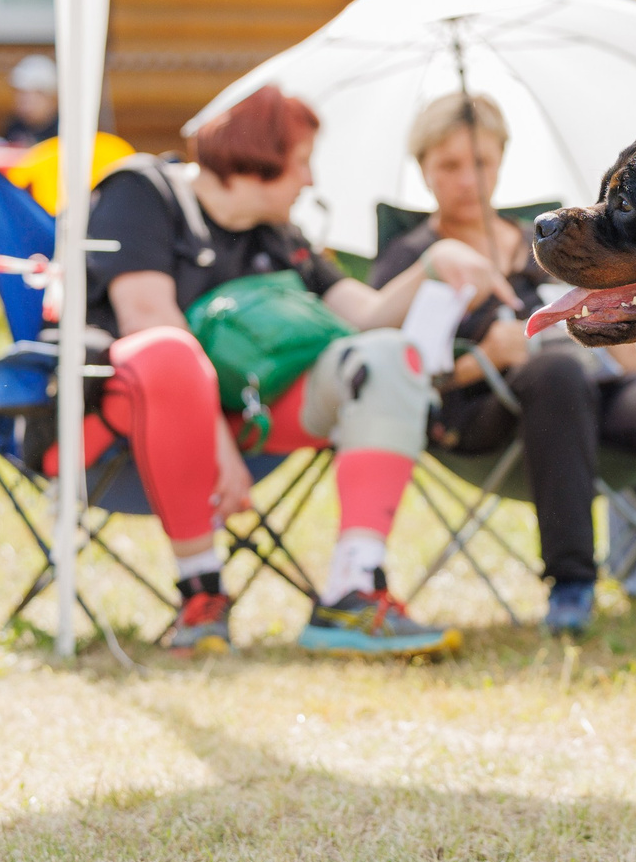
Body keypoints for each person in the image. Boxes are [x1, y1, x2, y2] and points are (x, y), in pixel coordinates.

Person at [83, 83, 512, 658]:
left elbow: (366, 316)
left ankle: (354, 588)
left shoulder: (280, 236)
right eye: (302, 162)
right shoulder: (143, 192)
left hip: (256, 411)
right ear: (260, 157)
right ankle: (200, 590)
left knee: (387, 354)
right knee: (169, 350)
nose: (309, 181)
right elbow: (145, 317)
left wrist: (433, 267)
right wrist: (218, 450)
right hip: (132, 415)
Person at [370, 93, 636, 634]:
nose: (466, 179)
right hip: (485, 418)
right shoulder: (410, 259)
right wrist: (484, 359)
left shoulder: (553, 237)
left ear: (501, 159)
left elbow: (624, 347)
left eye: (479, 162)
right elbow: (392, 372)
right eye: (449, 166)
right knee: (557, 371)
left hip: (592, 400)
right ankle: (572, 584)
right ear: (423, 172)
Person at [1, 54, 61, 145]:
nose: (22, 102)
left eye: (29, 97)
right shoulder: (15, 126)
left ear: (49, 97)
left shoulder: (62, 128)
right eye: (20, 94)